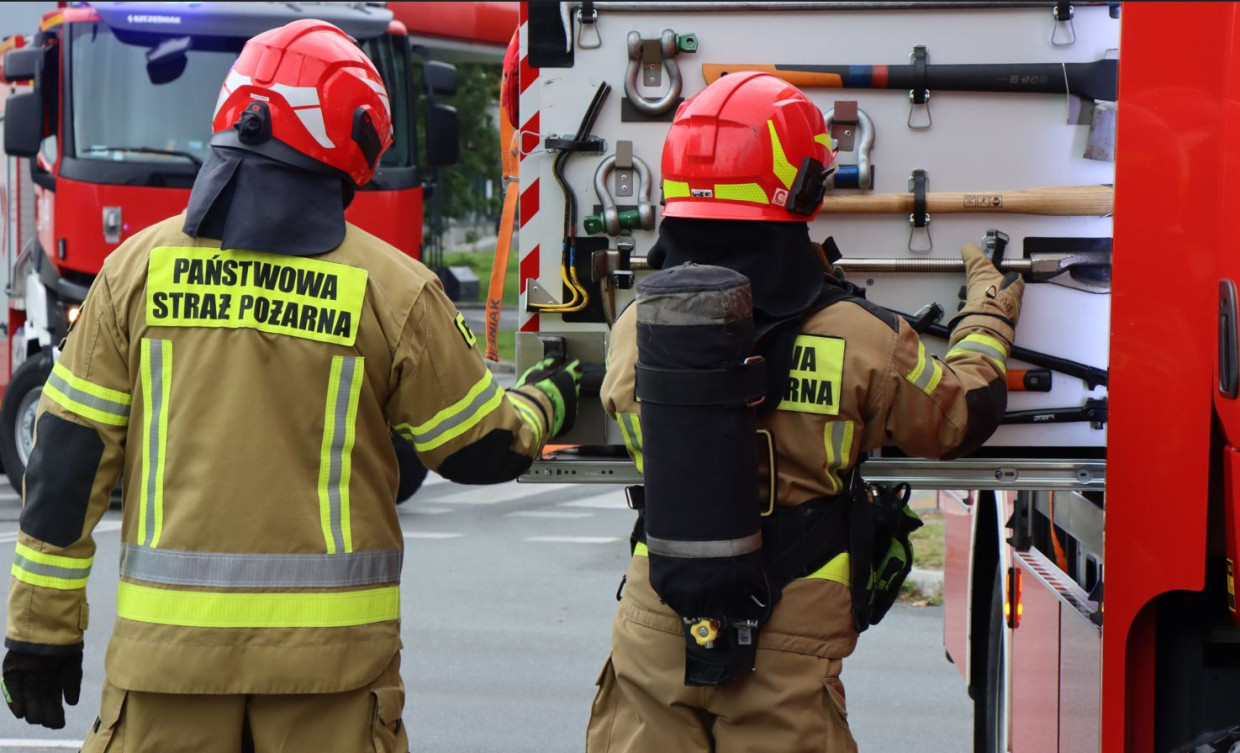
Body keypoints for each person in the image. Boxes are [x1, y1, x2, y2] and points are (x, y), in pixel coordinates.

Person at [2, 20, 579, 751]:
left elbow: (64, 465)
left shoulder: (132, 272)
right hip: (329, 686)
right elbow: (478, 448)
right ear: (355, 145)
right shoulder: (393, 289)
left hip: (163, 678)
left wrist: (39, 630)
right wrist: (544, 397)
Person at [585, 71, 1022, 752]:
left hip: (653, 632)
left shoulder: (635, 326)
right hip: (784, 655)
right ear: (805, 188)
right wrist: (987, 316)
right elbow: (961, 414)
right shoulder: (860, 339)